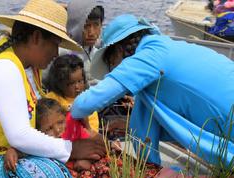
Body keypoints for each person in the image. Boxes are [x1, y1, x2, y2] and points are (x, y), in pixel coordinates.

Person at [0, 0, 105, 178]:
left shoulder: (27, 66)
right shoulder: (4, 67)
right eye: (54, 44)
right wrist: (72, 149)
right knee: (49, 173)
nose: (56, 53)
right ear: (36, 38)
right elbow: (19, 135)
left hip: (0, 150)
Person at [70, 14, 234, 166]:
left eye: (112, 63)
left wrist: (75, 115)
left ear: (119, 50)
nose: (113, 70)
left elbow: (85, 104)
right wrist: (129, 127)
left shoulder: (149, 55)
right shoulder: (166, 46)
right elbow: (145, 124)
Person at [4, 98, 121, 178]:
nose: (57, 130)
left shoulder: (72, 129)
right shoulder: (41, 142)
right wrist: (13, 151)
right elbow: (26, 147)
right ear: (37, 132)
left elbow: (96, 144)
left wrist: (87, 159)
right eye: (48, 128)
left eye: (60, 122)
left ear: (65, 117)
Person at [42, 0, 105, 86]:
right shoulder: (60, 53)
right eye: (86, 26)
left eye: (96, 25)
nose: (92, 33)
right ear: (75, 25)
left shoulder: (97, 51)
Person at [45, 54, 99, 132]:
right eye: (71, 83)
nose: (77, 87)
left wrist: (86, 124)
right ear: (59, 84)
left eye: (80, 81)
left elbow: (92, 131)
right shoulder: (51, 99)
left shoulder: (88, 102)